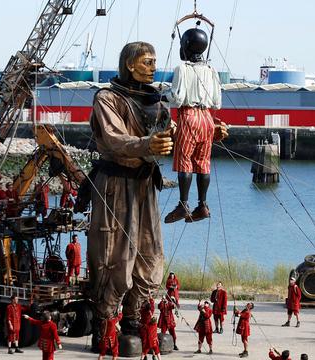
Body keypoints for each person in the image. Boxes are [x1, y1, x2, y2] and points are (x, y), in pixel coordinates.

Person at [87, 41, 173, 336]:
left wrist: (210, 133)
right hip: (115, 183)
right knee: (114, 254)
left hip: (145, 183)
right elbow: (114, 138)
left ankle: (133, 316)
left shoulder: (158, 101)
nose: (153, 67)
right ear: (129, 64)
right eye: (147, 62)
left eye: (154, 62)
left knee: (149, 252)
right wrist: (146, 144)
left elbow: (174, 135)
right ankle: (104, 319)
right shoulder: (107, 98)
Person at [164, 27, 227, 224]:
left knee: (185, 161)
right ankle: (203, 205)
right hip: (206, 118)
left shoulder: (182, 69)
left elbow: (177, 97)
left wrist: (161, 97)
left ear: (186, 47)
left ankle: (183, 205)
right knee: (203, 162)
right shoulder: (211, 70)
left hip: (189, 116)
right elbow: (217, 102)